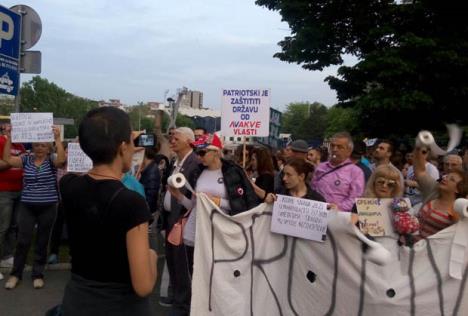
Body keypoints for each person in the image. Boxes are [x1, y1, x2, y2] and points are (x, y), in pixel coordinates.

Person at [59, 107, 157, 315]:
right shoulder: (132, 202)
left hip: (76, 301)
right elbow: (144, 286)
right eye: (131, 141)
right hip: (120, 306)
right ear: (122, 148)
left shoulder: (68, 185)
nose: (134, 148)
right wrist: (152, 255)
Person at [3, 125, 65, 290]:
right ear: (33, 146)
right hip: (27, 206)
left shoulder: (52, 159)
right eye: (37, 145)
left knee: (42, 241)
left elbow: (61, 161)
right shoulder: (26, 159)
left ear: (48, 147)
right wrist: (9, 138)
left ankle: (38, 274)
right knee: (23, 241)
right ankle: (16, 274)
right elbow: (8, 160)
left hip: (48, 206)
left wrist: (58, 139)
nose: (39, 148)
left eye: (43, 145)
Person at [169, 133, 259, 247]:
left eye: (202, 153)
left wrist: (216, 201)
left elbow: (242, 206)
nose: (198, 157)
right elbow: (194, 206)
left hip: (222, 233)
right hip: (196, 232)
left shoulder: (233, 172)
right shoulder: (197, 172)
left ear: (216, 152)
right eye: (197, 152)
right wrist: (179, 196)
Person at [163, 127, 200, 316]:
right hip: (171, 219)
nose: (172, 140)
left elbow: (195, 198)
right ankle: (176, 297)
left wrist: (178, 198)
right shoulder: (175, 162)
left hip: (184, 221)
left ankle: (183, 305)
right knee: (172, 262)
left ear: (188, 140)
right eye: (171, 137)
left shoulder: (195, 163)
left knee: (182, 264)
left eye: (176, 138)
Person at [413, 147, 468, 239]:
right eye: (446, 176)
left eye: (452, 179)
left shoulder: (459, 208)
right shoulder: (434, 189)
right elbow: (420, 171)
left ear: (458, 189)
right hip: (410, 245)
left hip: (431, 251)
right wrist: (421, 151)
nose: (445, 178)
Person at [311, 132, 365, 212]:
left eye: (340, 147)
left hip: (338, 216)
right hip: (316, 213)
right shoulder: (321, 167)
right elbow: (313, 188)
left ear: (349, 151)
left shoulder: (356, 172)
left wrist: (338, 207)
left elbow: (355, 198)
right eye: (332, 146)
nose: (334, 149)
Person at [0, 123, 26, 280]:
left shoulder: (20, 145)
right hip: (3, 191)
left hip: (19, 190)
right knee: (2, 227)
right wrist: (14, 160)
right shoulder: (1, 142)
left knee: (13, 225)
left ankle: (7, 255)